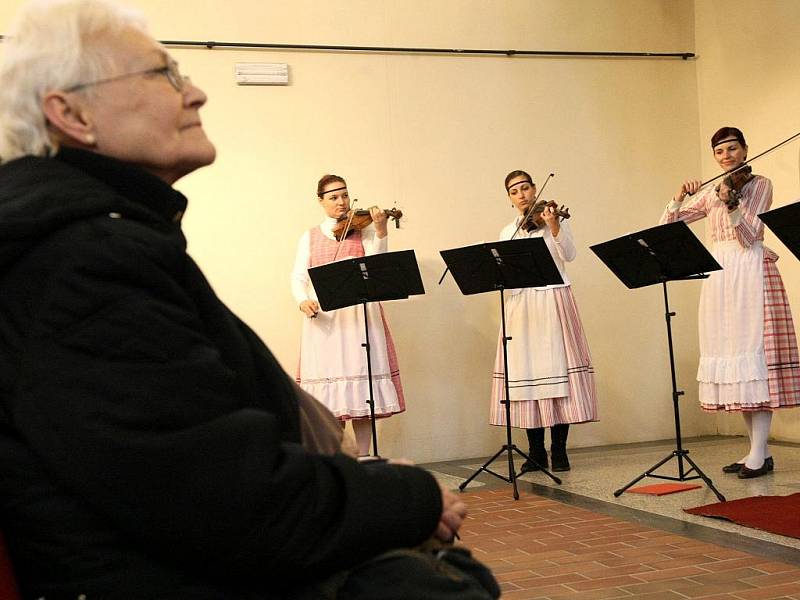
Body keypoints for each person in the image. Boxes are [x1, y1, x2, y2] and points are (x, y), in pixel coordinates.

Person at [0, 1, 475, 597]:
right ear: (71, 113)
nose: (195, 92)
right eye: (163, 74)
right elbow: (225, 501)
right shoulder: (84, 263)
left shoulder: (93, 241)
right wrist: (412, 497)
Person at [660, 126, 800, 478]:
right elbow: (666, 227)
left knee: (755, 363)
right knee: (737, 366)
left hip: (750, 270)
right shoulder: (711, 192)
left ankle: (757, 452)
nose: (727, 156)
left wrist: (731, 202)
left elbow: (750, 234)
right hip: (720, 276)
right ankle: (758, 452)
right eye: (720, 152)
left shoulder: (760, 184)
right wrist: (679, 197)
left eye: (733, 149)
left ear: (745, 149)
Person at [489, 170, 598, 472]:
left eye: (526, 187)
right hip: (521, 305)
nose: (522, 194)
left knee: (558, 374)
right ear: (510, 199)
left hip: (553, 299)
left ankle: (559, 450)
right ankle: (535, 452)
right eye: (515, 191)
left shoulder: (555, 220)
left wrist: (554, 227)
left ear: (535, 189)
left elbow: (570, 254)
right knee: (527, 378)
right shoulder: (508, 230)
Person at [291, 175, 405, 456]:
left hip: (358, 317)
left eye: (344, 195)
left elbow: (377, 265)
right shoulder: (310, 236)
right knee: (330, 404)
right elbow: (297, 277)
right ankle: (338, 460)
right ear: (321, 201)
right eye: (333, 197)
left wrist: (380, 229)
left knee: (361, 397)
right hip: (325, 321)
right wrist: (303, 300)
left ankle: (364, 458)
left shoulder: (362, 230)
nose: (341, 202)